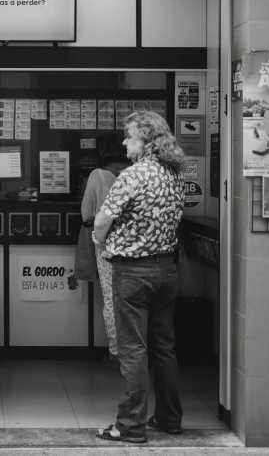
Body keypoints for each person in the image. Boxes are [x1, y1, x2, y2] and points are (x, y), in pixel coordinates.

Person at [93, 111, 186, 444]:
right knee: (164, 348)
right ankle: (169, 418)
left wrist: (99, 241)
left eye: (129, 136)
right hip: (167, 271)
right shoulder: (175, 173)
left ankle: (130, 426)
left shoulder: (133, 175)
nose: (123, 141)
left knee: (133, 350)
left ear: (146, 140)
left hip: (132, 272)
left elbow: (102, 220)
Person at [81, 134, 129, 370]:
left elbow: (87, 213)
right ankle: (137, 351)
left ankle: (116, 353)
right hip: (137, 248)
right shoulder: (136, 172)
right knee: (134, 301)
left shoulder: (98, 176)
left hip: (108, 246)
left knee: (112, 300)